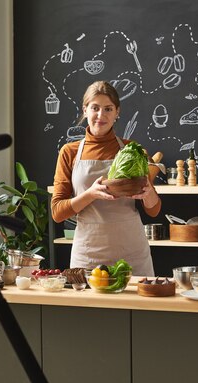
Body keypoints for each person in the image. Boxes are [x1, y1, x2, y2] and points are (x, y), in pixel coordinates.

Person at [51, 81, 161, 276]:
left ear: (117, 112)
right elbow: (58, 212)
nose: (101, 115)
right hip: (88, 254)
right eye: (95, 108)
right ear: (85, 110)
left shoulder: (132, 150)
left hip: (132, 253)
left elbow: (153, 210)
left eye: (108, 109)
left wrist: (148, 193)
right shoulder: (69, 152)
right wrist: (90, 194)